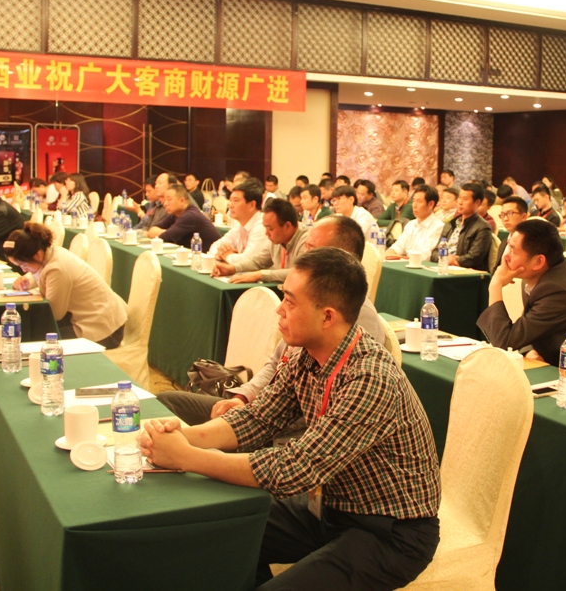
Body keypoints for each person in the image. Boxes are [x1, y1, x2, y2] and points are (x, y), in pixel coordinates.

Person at [142, 248, 441, 590]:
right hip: (329, 507)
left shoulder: (371, 378)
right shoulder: (306, 355)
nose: (279, 309)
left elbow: (292, 469)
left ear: (327, 317)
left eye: (289, 301)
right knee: (219, 529)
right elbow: (256, 419)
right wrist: (182, 435)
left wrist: (187, 457)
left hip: (389, 530)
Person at [159, 215, 387, 425]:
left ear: (340, 259)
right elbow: (278, 365)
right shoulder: (301, 347)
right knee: (166, 405)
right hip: (270, 408)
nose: (304, 254)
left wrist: (193, 446)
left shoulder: (358, 324)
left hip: (299, 425)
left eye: (311, 248)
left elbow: (313, 433)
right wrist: (243, 397)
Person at [478, 220, 566, 364]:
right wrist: (528, 349)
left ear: (538, 262)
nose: (505, 256)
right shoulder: (540, 278)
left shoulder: (557, 291)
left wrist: (495, 286)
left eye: (513, 251)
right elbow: (529, 329)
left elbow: (504, 342)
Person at [6, 222, 127, 349]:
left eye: (24, 265)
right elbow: (40, 271)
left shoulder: (57, 268)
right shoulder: (51, 252)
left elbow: (54, 314)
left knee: (39, 338)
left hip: (105, 331)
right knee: (35, 330)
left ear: (37, 254)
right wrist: (26, 281)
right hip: (102, 322)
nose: (23, 270)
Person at [214, 199, 307, 284]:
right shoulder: (278, 239)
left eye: (270, 229)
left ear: (287, 226)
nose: (266, 233)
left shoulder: (307, 240)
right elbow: (258, 261)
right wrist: (232, 268)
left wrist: (259, 275)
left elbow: (300, 272)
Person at [209, 181, 270, 267]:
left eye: (236, 200)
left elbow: (247, 261)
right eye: (230, 200)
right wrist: (222, 252)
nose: (230, 205)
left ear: (252, 205)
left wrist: (227, 256)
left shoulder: (263, 226)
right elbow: (214, 247)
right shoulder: (240, 225)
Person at [433, 182, 492, 269]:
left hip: (466, 272)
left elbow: (474, 258)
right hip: (445, 266)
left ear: (477, 202)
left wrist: (453, 260)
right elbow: (435, 253)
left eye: (465, 199)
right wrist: (445, 259)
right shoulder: (451, 224)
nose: (460, 202)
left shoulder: (483, 227)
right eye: (459, 198)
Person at [148, 184, 221, 248]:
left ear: (182, 201)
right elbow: (151, 231)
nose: (165, 203)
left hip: (210, 256)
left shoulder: (190, 215)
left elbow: (165, 237)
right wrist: (168, 232)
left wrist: (168, 233)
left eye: (169, 199)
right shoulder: (175, 214)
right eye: (165, 200)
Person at [386, 185, 443, 260]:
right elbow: (398, 246)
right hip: (406, 262)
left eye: (419, 201)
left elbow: (425, 256)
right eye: (414, 201)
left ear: (430, 204)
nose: (414, 205)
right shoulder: (411, 224)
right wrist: (389, 253)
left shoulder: (438, 227)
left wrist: (401, 257)